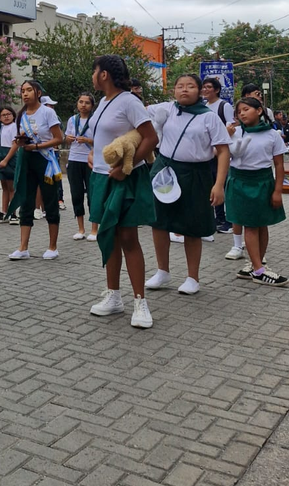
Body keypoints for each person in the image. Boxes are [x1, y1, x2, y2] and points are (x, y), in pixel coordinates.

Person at [87, 54, 158, 329]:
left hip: (124, 179)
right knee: (109, 236)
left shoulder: (129, 101)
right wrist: (95, 156)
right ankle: (113, 296)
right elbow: (106, 137)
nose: (92, 76)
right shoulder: (103, 102)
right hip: (101, 178)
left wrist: (126, 168)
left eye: (94, 71)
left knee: (128, 236)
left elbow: (151, 138)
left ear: (104, 74)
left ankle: (140, 302)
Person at [145, 74, 231, 296]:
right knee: (159, 222)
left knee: (193, 226)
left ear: (200, 91)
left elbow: (223, 151)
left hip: (196, 174)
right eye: (180, 86)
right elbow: (138, 111)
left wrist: (219, 184)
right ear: (173, 90)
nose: (184, 90)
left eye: (191, 86)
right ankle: (162, 271)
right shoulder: (167, 109)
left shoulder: (209, 117)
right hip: (165, 171)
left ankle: (193, 277)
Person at [226, 96, 288, 286]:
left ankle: (255, 265)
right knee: (251, 225)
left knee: (262, 224)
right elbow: (218, 155)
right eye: (239, 111)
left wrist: (278, 190)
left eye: (246, 109)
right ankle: (259, 271)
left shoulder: (272, 135)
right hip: (239, 181)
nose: (242, 113)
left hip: (263, 181)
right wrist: (226, 136)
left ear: (259, 111)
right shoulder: (234, 132)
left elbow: (279, 165)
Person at [1, 80, 63, 261]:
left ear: (38, 92)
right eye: (22, 91)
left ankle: (52, 247)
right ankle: (23, 247)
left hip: (45, 160)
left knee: (50, 201)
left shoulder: (48, 112)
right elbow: (19, 140)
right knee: (26, 202)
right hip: (27, 159)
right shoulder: (20, 115)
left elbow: (59, 138)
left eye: (29, 90)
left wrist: (37, 145)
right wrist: (20, 144)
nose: (25, 94)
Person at [201, 76, 235, 233]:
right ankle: (217, 217)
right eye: (204, 87)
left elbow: (232, 126)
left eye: (209, 87)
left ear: (217, 90)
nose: (205, 90)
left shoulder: (223, 106)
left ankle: (227, 220)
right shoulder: (203, 106)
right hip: (207, 152)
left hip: (220, 153)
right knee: (210, 185)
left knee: (221, 184)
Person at [65, 93, 96, 240]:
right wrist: (69, 139)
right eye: (81, 102)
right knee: (76, 194)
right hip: (74, 159)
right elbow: (66, 138)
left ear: (92, 106)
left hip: (90, 160)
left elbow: (101, 141)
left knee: (92, 194)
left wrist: (88, 140)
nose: (83, 105)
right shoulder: (72, 120)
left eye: (87, 103)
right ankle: (81, 228)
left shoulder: (95, 120)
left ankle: (94, 229)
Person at [0, 105, 18, 223]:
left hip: (9, 157)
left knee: (11, 187)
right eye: (3, 115)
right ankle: (4, 211)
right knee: (4, 187)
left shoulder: (14, 127)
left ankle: (13, 213)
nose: (6, 117)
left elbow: (15, 144)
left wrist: (6, 160)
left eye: (9, 114)